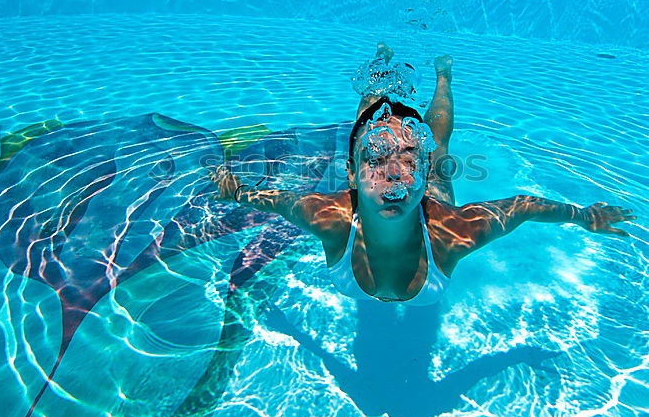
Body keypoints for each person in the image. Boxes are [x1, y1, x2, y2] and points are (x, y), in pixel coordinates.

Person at [211, 46, 635, 305]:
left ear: (422, 169)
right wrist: (238, 194)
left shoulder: (454, 232)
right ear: (352, 176)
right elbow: (279, 201)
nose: (395, 174)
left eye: (411, 160)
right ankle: (380, 66)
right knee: (367, 120)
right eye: (375, 160)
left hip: (432, 200)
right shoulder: (328, 217)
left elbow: (523, 207)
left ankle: (443, 77)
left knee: (438, 140)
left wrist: (584, 216)